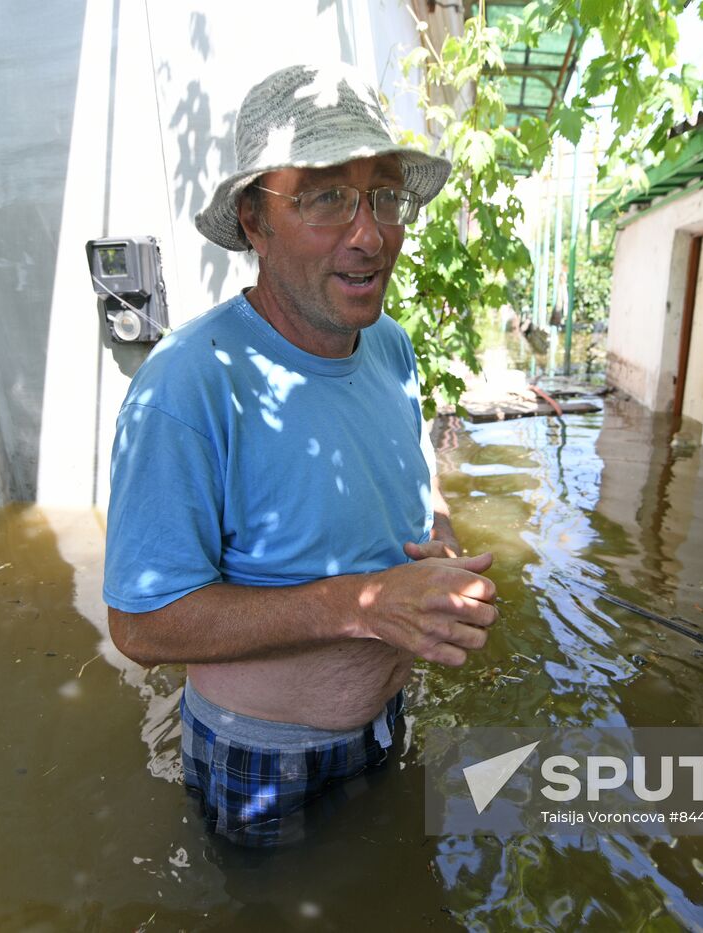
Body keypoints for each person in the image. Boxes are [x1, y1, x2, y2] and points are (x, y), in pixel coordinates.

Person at [103, 63, 498, 844]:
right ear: (254, 220)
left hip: (386, 723)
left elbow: (419, 484)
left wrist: (441, 542)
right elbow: (141, 625)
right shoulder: (187, 386)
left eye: (383, 196)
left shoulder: (391, 348)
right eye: (324, 197)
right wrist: (364, 605)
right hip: (260, 758)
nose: (369, 233)